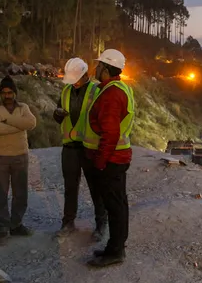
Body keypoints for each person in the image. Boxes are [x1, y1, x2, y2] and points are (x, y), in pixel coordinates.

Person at [82, 49, 135, 267]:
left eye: (98, 65)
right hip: (117, 158)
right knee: (118, 203)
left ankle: (115, 251)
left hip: (111, 160)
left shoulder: (111, 94)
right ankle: (115, 247)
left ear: (106, 68)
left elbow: (110, 132)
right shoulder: (117, 88)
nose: (95, 69)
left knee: (114, 205)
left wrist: (101, 162)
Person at [53, 58, 107, 241]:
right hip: (69, 146)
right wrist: (57, 114)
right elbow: (58, 113)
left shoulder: (96, 91)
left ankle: (101, 224)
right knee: (70, 187)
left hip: (89, 147)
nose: (73, 82)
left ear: (85, 75)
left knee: (96, 188)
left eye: (76, 78)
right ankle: (68, 222)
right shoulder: (66, 90)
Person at [0, 75, 37, 246]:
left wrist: (8, 120)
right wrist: (18, 125)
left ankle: (16, 225)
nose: (7, 95)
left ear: (15, 93)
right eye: (4, 93)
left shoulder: (24, 107)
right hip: (1, 157)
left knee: (20, 193)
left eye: (10, 92)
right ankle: (2, 228)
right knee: (1, 194)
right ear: (0, 94)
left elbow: (31, 123)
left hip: (20, 156)